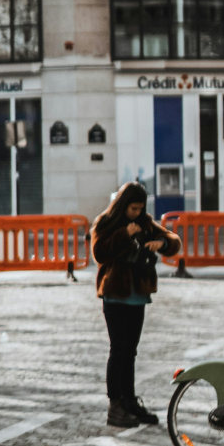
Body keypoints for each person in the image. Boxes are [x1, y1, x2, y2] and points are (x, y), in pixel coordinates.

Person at [91, 182, 182, 428]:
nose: (136, 213)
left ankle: (130, 401)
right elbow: (99, 252)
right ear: (123, 205)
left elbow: (173, 240)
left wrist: (162, 244)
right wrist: (125, 234)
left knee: (130, 351)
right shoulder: (106, 222)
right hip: (115, 295)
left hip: (137, 296)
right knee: (118, 350)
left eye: (140, 209)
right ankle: (115, 406)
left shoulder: (144, 222)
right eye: (133, 208)